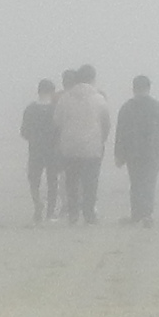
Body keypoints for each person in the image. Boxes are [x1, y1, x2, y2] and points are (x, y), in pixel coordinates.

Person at [47, 66, 112, 224]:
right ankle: (89, 214)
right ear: (93, 78)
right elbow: (106, 123)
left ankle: (73, 214)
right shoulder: (99, 99)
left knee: (71, 181)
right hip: (92, 146)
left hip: (69, 146)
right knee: (90, 181)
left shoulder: (65, 98)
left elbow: (57, 123)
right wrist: (101, 139)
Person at [113, 74, 159, 225]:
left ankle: (136, 214)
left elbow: (120, 133)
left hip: (133, 153)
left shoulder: (127, 107)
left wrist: (119, 155)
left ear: (133, 89)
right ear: (149, 88)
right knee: (149, 183)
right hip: (153, 152)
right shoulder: (158, 107)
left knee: (136, 183)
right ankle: (147, 214)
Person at [19, 78, 60, 222]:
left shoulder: (30, 109)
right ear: (52, 92)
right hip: (53, 151)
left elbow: (24, 132)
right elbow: (60, 131)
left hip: (35, 150)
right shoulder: (56, 109)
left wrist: (33, 137)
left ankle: (38, 204)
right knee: (52, 181)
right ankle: (50, 212)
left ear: (38, 91)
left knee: (34, 179)